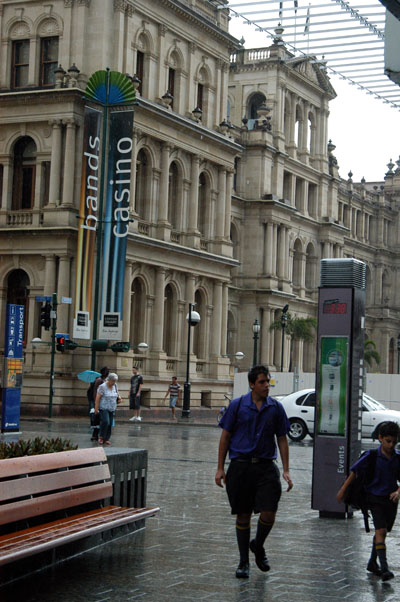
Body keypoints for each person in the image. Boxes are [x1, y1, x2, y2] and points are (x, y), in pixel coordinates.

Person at [215, 365, 293, 579]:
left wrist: (286, 469)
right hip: (240, 466)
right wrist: (220, 467)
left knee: (269, 511)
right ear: (252, 384)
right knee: (243, 513)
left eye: (268, 381)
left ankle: (258, 545)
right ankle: (243, 562)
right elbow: (225, 437)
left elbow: (282, 439)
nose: (267, 385)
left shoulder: (275, 408)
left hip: (266, 466)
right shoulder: (237, 406)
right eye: (262, 382)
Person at [337, 421, 400, 581]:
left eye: (394, 442)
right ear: (380, 438)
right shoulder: (371, 455)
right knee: (381, 531)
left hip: (390, 500)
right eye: (388, 441)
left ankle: (372, 563)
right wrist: (343, 490)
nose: (391, 445)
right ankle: (384, 569)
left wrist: (398, 491)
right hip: (374, 498)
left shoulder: (397, 458)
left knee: (383, 530)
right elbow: (354, 472)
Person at [94, 372, 120, 446]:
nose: (114, 382)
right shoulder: (102, 386)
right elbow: (98, 398)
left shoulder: (115, 385)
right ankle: (101, 436)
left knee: (110, 424)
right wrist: (96, 408)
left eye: (115, 381)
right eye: (113, 381)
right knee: (106, 421)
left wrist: (119, 398)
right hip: (104, 407)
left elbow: (117, 393)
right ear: (109, 380)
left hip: (112, 407)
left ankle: (106, 438)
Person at [89, 366, 109, 441]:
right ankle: (95, 435)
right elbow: (96, 392)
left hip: (99, 401)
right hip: (97, 401)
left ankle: (96, 435)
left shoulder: (101, 380)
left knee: (98, 418)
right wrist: (96, 402)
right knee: (97, 418)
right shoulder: (99, 380)